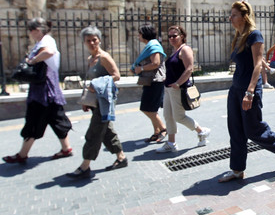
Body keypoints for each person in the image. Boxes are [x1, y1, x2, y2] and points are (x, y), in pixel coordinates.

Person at [219, 0, 275, 182]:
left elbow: (257, 63)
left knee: (252, 129)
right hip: (235, 89)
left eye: (234, 14)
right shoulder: (239, 37)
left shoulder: (255, 35)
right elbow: (255, 60)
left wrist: (250, 92)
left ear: (244, 17)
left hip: (248, 89)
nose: (230, 17)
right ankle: (237, 170)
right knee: (235, 130)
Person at [3, 17, 73, 164]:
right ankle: (66, 148)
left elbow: (49, 52)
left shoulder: (46, 41)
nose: (30, 34)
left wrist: (32, 60)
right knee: (56, 119)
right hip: (48, 90)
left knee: (33, 120)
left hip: (43, 92)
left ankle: (22, 154)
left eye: (31, 31)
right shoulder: (44, 41)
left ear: (37, 30)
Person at [66, 26, 127, 178]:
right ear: (84, 42)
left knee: (94, 132)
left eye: (95, 40)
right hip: (96, 101)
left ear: (99, 40)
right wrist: (87, 100)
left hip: (105, 101)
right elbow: (90, 81)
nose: (92, 43)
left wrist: (97, 84)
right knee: (106, 130)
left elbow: (116, 76)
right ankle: (121, 157)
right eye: (89, 41)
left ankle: (85, 166)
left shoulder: (104, 57)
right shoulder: (90, 59)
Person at [158, 25, 210, 153]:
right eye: (169, 36)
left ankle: (201, 131)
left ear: (182, 36)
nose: (172, 38)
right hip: (168, 88)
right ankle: (171, 142)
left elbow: (189, 69)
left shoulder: (185, 49)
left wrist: (177, 83)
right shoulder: (175, 51)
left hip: (177, 88)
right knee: (168, 116)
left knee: (179, 117)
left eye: (174, 35)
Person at [131, 23, 167, 143]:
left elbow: (155, 63)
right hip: (151, 81)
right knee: (152, 109)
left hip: (155, 81)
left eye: (139, 33)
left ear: (145, 34)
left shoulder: (154, 46)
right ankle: (156, 132)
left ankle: (163, 129)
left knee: (147, 108)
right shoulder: (151, 45)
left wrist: (140, 69)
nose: (138, 36)